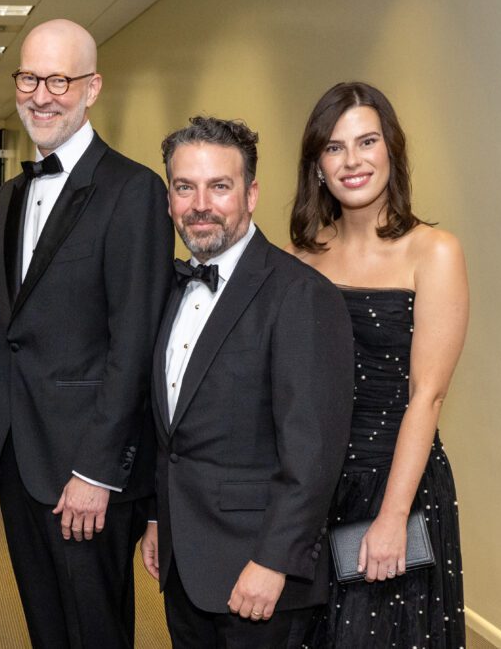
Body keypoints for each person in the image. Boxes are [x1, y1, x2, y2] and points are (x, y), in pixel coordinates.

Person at [0, 19, 173, 648]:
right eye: (30, 78)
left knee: (96, 632)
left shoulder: (135, 190)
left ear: (92, 88)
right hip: (21, 455)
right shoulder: (10, 195)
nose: (41, 94)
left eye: (59, 80)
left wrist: (97, 472)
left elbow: (135, 341)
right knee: (45, 628)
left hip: (85, 471)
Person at [139, 116, 354, 648]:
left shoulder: (300, 295)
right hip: (183, 565)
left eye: (220, 186)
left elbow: (313, 453)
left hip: (258, 572)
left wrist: (274, 561)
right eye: (185, 187)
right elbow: (171, 427)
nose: (200, 204)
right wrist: (156, 516)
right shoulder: (170, 284)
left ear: (251, 193)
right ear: (170, 198)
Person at [288, 82, 468, 648]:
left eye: (367, 141)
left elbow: (428, 396)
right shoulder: (302, 257)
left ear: (392, 149)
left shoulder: (434, 251)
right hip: (317, 486)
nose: (353, 160)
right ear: (317, 165)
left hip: (398, 483)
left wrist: (393, 516)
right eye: (334, 147)